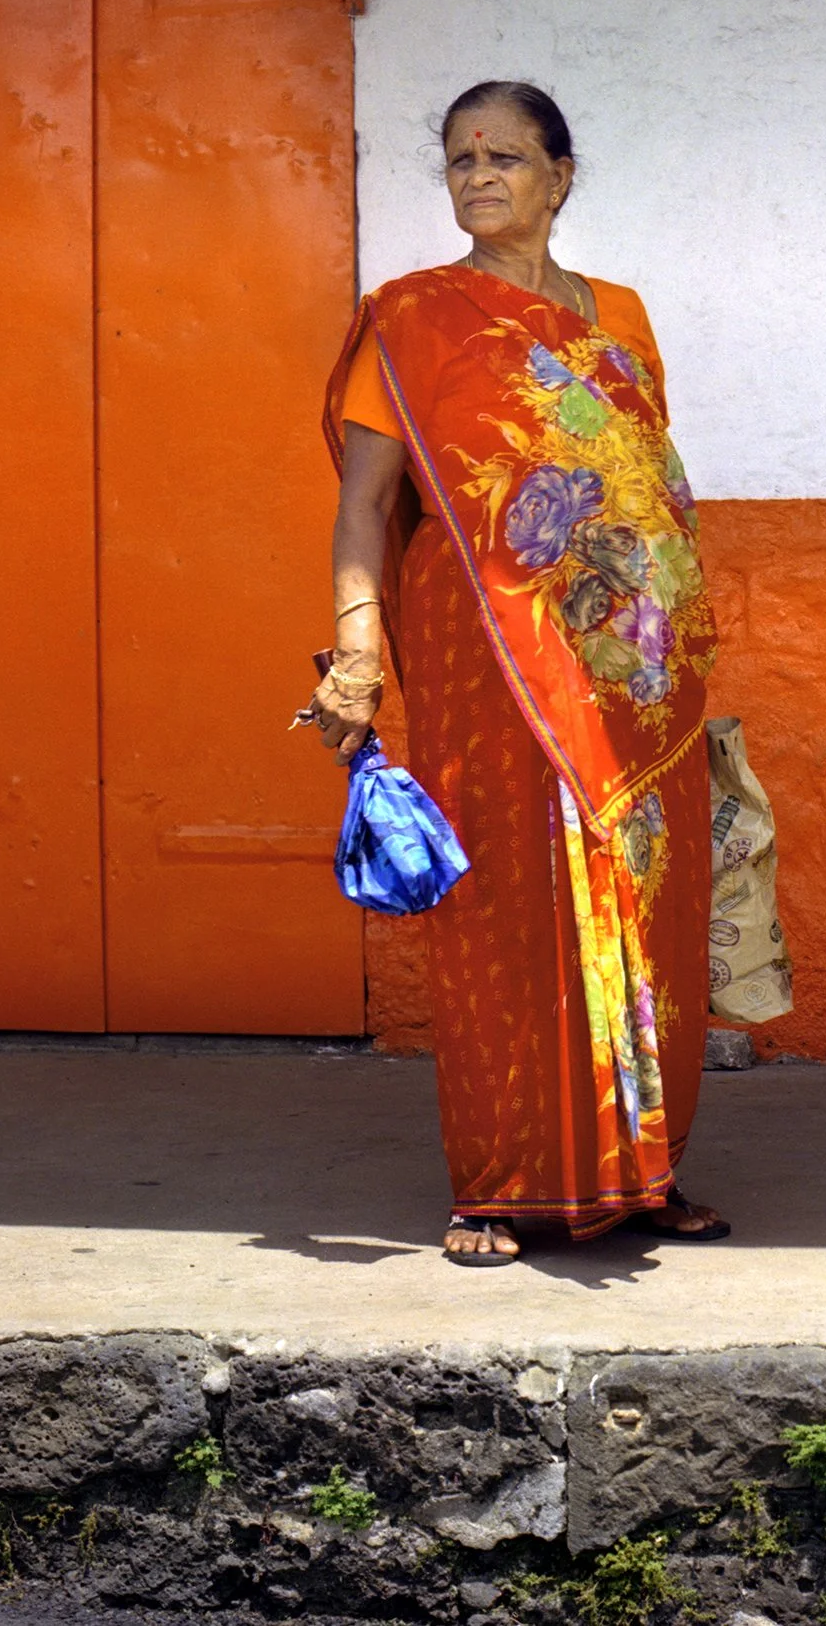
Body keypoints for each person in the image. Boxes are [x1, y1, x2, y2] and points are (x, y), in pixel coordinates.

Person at [309, 80, 731, 1264]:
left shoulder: (625, 315)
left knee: (646, 901)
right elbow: (365, 508)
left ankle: (643, 1171)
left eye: (503, 155)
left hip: (634, 667)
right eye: (457, 160)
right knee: (504, 904)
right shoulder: (410, 316)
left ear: (560, 174)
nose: (478, 174)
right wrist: (355, 649)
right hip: (483, 652)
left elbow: (648, 488)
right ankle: (496, 1184)